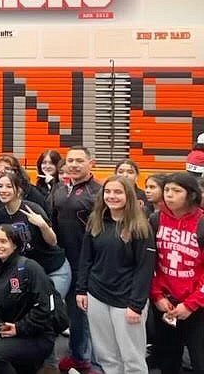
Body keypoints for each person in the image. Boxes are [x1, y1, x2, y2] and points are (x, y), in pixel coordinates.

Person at [76, 175, 154, 374]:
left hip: (126, 301)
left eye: (118, 192)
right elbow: (86, 259)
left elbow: (144, 269)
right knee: (107, 357)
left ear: (128, 196)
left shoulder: (140, 226)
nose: (112, 196)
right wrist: (81, 289)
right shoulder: (96, 221)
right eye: (108, 191)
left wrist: (136, 305)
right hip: (97, 296)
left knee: (132, 358)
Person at [51, 146, 102, 374]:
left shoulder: (99, 193)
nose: (73, 164)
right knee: (71, 311)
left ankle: (87, 360)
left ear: (91, 163)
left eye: (79, 160)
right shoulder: (60, 188)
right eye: (70, 160)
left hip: (88, 262)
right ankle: (77, 355)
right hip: (62, 261)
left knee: (85, 313)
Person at [0, 224, 56, 374]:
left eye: (3, 241)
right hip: (11, 335)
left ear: (15, 244)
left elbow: (46, 307)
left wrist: (19, 327)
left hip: (38, 336)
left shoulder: (31, 268)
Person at [150, 172, 204, 374]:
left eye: (176, 191)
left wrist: (191, 304)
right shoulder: (156, 220)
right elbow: (150, 263)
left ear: (191, 195)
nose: (169, 195)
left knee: (200, 361)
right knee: (168, 362)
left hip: (196, 306)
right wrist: (157, 296)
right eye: (167, 190)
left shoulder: (202, 222)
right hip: (165, 304)